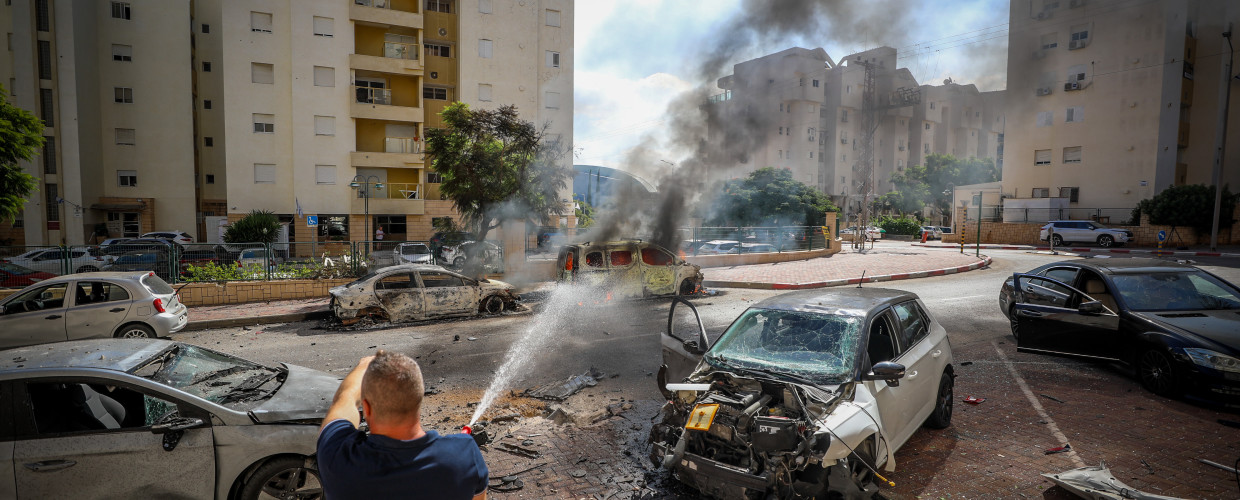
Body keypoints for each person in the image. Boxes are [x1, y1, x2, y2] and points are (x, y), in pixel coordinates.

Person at [317, 351, 488, 500]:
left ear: (366, 408)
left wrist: (363, 366)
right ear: (419, 401)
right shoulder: (465, 455)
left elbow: (344, 399)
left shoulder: (337, 458)